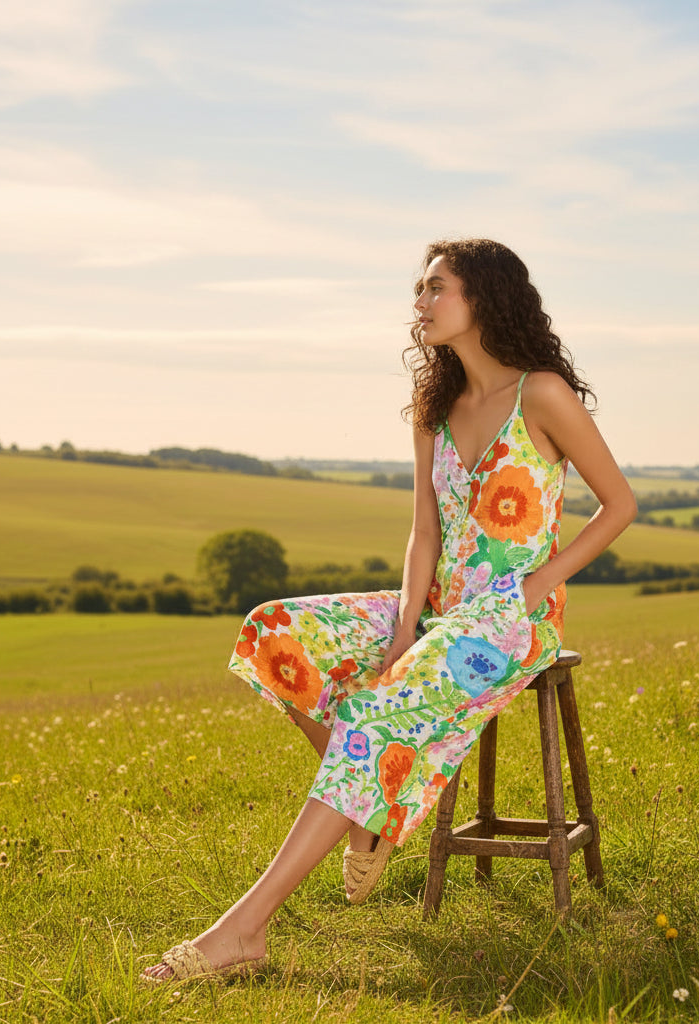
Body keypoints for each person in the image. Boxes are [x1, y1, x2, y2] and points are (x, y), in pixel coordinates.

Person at [142, 238, 637, 982]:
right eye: (420, 288)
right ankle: (370, 812)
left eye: (438, 287)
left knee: (373, 715)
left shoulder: (541, 395)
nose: (421, 301)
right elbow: (424, 532)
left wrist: (539, 586)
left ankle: (243, 931)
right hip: (435, 605)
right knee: (272, 629)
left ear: (485, 298)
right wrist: (404, 624)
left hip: (509, 623)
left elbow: (619, 504)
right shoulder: (434, 407)